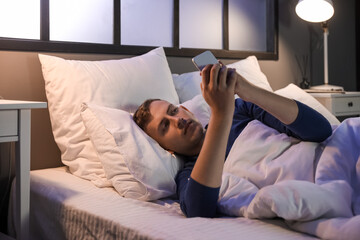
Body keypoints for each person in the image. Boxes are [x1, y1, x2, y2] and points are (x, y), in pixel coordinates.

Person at [133, 63, 332, 218]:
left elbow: (320, 131)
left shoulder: (240, 109)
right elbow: (199, 211)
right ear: (165, 148)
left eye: (174, 111)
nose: (178, 120)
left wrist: (248, 90)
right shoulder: (190, 173)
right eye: (165, 126)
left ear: (187, 109)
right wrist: (221, 114)